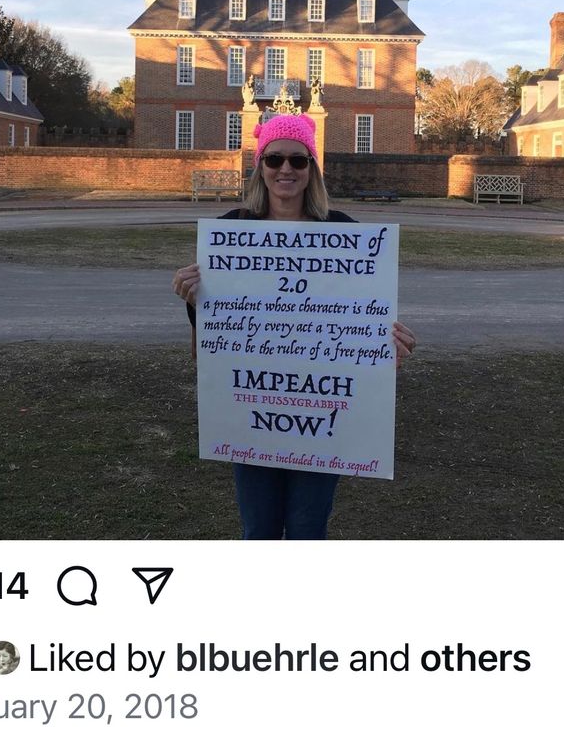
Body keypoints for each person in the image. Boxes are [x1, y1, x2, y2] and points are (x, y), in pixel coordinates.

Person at [173, 113, 416, 540]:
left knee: (307, 530)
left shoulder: (343, 234)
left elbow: (362, 328)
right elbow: (203, 356)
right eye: (275, 159)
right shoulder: (230, 232)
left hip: (322, 419)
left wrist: (387, 348)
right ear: (260, 165)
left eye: (298, 161)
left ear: (312, 169)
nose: (286, 169)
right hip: (252, 414)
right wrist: (195, 301)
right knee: (260, 531)